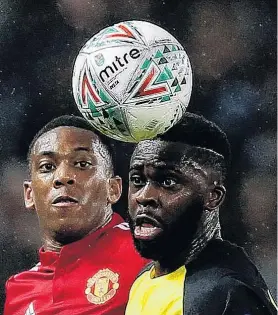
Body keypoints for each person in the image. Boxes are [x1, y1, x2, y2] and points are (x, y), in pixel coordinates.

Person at [125, 112, 277, 315]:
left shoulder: (224, 293)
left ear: (213, 196)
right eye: (137, 180)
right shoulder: (146, 277)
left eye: (168, 182)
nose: (144, 196)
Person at [4, 115, 148, 315]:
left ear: (113, 189)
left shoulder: (148, 253)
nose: (62, 177)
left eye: (82, 164)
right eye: (47, 166)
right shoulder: (19, 290)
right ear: (29, 195)